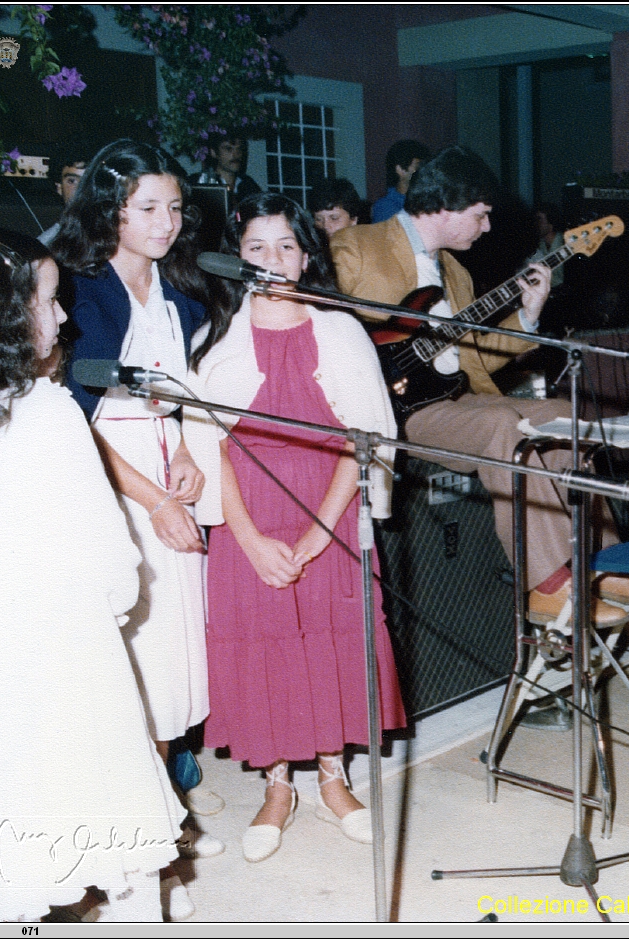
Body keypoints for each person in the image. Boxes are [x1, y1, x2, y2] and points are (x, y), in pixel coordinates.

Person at [0, 227, 183, 922]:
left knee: (3, 834)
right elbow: (114, 568)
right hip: (62, 651)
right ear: (1, 316)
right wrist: (108, 602)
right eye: (47, 301)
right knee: (122, 835)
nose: (62, 317)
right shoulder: (49, 411)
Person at [184, 194, 406, 861]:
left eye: (286, 246)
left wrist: (315, 537)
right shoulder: (214, 336)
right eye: (256, 247)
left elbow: (361, 440)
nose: (272, 260)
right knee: (267, 644)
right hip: (245, 514)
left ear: (308, 257)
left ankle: (334, 780)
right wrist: (249, 539)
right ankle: (277, 785)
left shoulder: (338, 330)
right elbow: (207, 446)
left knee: (329, 641)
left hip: (328, 509)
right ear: (235, 256)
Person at [331, 146, 629, 624]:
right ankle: (548, 585)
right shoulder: (355, 247)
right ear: (448, 206)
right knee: (502, 427)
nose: (487, 227)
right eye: (481, 214)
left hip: (452, 397)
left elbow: (476, 350)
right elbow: (323, 323)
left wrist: (529, 314)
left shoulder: (456, 273)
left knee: (562, 417)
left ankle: (602, 564)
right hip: (392, 408)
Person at [51, 140, 224, 869]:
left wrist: (183, 448)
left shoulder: (181, 288)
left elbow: (180, 394)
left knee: (179, 652)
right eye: (147, 207)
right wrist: (154, 499)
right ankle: (148, 831)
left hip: (162, 464)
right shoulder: (80, 291)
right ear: (109, 209)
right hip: (110, 479)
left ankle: (166, 800)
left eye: (176, 207)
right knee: (137, 658)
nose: (167, 222)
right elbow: (75, 421)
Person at [37, 139, 90, 246]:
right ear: (59, 187)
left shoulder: (122, 239)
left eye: (88, 181)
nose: (81, 189)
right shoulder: (46, 245)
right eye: (72, 181)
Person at [369, 138, 432, 224]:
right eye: (418, 166)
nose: (424, 171)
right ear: (400, 170)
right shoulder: (386, 207)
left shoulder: (427, 201)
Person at [190, 134, 262, 202]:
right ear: (214, 152)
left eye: (239, 148)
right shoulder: (200, 183)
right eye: (228, 149)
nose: (236, 154)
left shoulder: (249, 186)